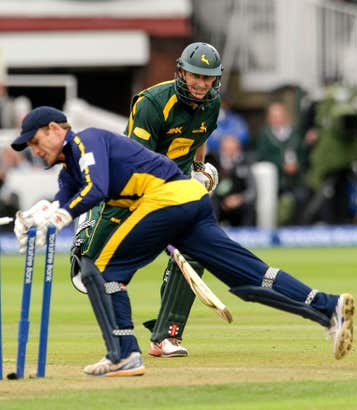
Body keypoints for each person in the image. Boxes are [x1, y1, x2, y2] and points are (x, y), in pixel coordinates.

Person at [10, 106, 355, 377]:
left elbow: (96, 189)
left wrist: (62, 216)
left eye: (36, 142)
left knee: (102, 271)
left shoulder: (86, 141)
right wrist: (37, 218)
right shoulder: (70, 168)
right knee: (249, 279)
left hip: (166, 200)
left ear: (56, 129)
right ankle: (329, 308)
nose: (35, 151)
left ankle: (123, 354)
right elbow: (65, 199)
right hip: (190, 200)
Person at [72, 42, 222, 358]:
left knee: (196, 251)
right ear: (181, 72)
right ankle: (86, 232)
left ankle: (166, 335)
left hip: (176, 190)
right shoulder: (152, 104)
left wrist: (197, 172)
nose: (200, 84)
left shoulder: (212, 103)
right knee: (90, 271)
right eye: (195, 75)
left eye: (207, 78)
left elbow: (200, 136)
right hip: (132, 183)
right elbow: (137, 160)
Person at [256, 102, 310, 225]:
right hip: (276, 180)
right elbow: (263, 155)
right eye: (274, 116)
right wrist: (281, 165)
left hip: (296, 179)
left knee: (303, 197)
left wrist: (297, 165)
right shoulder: (265, 135)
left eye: (279, 116)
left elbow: (303, 153)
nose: (277, 119)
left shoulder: (295, 132)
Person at [211, 134, 256, 226]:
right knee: (211, 205)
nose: (230, 152)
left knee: (249, 207)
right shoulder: (213, 163)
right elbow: (207, 189)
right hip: (219, 203)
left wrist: (240, 198)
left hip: (239, 203)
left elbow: (252, 190)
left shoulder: (245, 163)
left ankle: (247, 236)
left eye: (233, 149)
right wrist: (223, 202)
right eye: (227, 149)